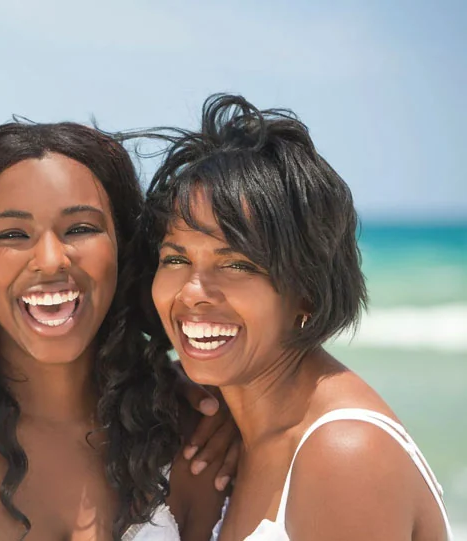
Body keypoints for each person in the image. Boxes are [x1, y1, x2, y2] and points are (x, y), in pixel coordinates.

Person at [0, 122, 230, 541]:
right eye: (13, 234)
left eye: (80, 229)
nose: (52, 260)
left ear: (122, 246)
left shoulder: (191, 436)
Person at [141, 94, 453, 540]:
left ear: (306, 291)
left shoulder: (344, 453)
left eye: (236, 264)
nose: (193, 292)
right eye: (175, 259)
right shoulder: (231, 427)